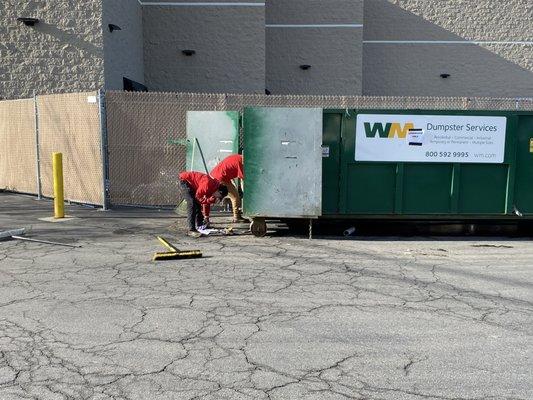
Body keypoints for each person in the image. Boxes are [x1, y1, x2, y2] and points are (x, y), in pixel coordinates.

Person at [179, 171, 228, 237]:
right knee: (192, 203)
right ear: (219, 191)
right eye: (219, 196)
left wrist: (206, 216)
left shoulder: (213, 189)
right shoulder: (208, 185)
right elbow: (198, 197)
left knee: (198, 204)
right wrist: (208, 200)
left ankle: (200, 225)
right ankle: (191, 230)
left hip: (193, 184)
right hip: (185, 181)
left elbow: (205, 203)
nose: (217, 198)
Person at [205, 154, 245, 223]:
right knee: (235, 196)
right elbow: (244, 180)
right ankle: (236, 217)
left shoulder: (237, 157)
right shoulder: (240, 162)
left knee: (211, 196)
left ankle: (205, 216)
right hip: (221, 178)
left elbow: (230, 169)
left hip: (216, 175)